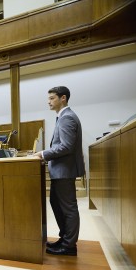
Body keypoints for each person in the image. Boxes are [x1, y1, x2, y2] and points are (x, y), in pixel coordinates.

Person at [35, 86, 85, 257]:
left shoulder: (67, 117)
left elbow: (66, 146)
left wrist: (42, 154)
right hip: (60, 171)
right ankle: (64, 240)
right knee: (57, 204)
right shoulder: (63, 117)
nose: (48, 102)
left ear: (63, 98)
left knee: (68, 208)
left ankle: (69, 245)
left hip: (64, 171)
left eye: (52, 98)